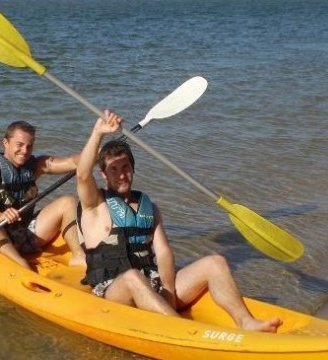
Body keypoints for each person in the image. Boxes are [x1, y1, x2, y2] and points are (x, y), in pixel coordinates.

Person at [75, 110, 282, 332]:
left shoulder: (149, 209)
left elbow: (163, 253)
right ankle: (181, 330)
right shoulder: (95, 204)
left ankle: (246, 321)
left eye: (125, 167)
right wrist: (98, 133)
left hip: (150, 282)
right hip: (114, 291)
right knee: (134, 277)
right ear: (104, 175)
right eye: (113, 169)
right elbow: (82, 175)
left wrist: (167, 289)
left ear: (133, 168)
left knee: (215, 262)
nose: (121, 174)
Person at [0, 120, 86, 269]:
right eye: (19, 144)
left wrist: (97, 151)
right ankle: (20, 263)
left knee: (68, 201)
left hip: (25, 232)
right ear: (5, 143)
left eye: (29, 146)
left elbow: (73, 162)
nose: (25, 151)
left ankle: (79, 256)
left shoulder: (36, 165)